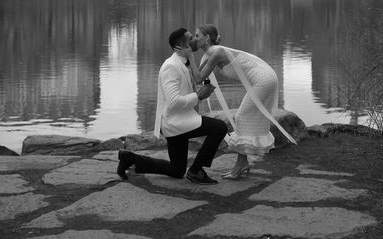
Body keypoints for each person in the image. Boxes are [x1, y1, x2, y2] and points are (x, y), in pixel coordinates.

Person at [179, 24, 296, 179]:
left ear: (207, 38)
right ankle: (242, 164)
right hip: (264, 79)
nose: (194, 38)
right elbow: (197, 76)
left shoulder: (216, 53)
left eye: (197, 35)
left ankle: (240, 166)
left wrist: (190, 56)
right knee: (244, 118)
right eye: (194, 36)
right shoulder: (211, 52)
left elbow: (199, 77)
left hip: (263, 80)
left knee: (241, 117)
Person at [117, 27, 228, 184]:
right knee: (220, 127)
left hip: (181, 120)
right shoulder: (171, 66)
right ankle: (197, 170)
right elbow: (174, 102)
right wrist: (199, 95)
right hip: (175, 122)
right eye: (191, 39)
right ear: (182, 45)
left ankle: (129, 159)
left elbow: (199, 74)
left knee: (177, 171)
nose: (195, 40)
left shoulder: (186, 62)